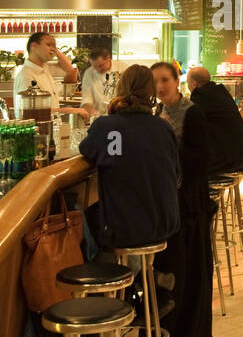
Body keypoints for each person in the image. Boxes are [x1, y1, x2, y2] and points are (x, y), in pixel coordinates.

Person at [150, 61, 220, 337]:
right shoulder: (156, 115)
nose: (161, 86)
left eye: (165, 80)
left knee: (189, 274)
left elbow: (200, 161)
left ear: (178, 81)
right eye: (155, 81)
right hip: (169, 207)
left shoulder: (193, 114)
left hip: (190, 207)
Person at [77, 65, 180, 252]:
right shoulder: (163, 128)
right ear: (151, 92)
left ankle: (108, 271)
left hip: (122, 230)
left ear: (120, 88)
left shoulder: (106, 127)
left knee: (79, 213)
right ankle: (142, 274)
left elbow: (86, 150)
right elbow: (176, 173)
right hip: (165, 223)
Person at [186, 66, 243, 176]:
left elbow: (190, 124)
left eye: (187, 83)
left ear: (194, 84)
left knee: (186, 168)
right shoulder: (220, 91)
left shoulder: (200, 95)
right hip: (241, 154)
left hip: (228, 160)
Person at [12, 31, 78, 117]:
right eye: (48, 45)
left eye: (54, 46)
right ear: (34, 46)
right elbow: (32, 113)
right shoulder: (26, 75)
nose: (53, 49)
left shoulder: (45, 69)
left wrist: (56, 52)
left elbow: (71, 72)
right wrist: (68, 111)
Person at [80, 47, 114, 119]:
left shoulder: (123, 69)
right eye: (94, 67)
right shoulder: (89, 73)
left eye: (101, 65)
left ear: (108, 59)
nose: (98, 69)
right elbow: (87, 98)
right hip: (98, 118)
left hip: (118, 117)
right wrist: (93, 113)